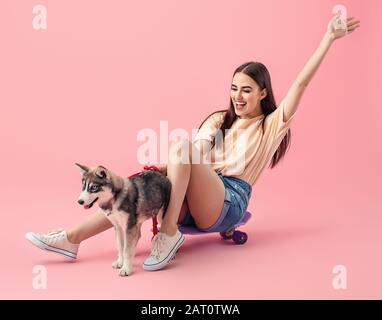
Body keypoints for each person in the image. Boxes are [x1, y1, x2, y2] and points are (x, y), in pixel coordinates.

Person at [26, 15, 360, 271]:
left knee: (179, 147)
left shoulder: (269, 125)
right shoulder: (218, 120)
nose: (238, 96)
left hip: (229, 199)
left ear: (263, 93)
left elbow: (300, 84)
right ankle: (71, 240)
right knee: (131, 191)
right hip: (195, 193)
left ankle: (168, 232)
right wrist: (158, 175)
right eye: (234, 88)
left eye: (246, 89)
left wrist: (329, 38)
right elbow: (192, 157)